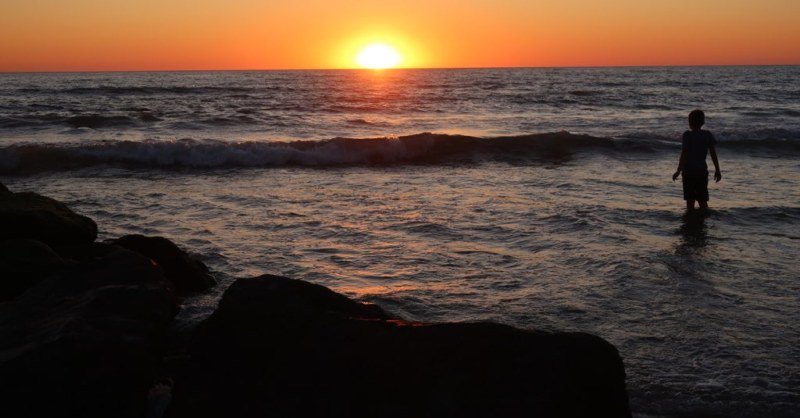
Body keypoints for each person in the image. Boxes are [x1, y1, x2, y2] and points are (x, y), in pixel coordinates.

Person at [672, 109, 721, 211]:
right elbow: (713, 154)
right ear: (702, 122)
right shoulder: (707, 135)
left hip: (688, 172)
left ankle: (690, 222)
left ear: (690, 122)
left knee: (690, 201)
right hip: (702, 172)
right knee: (702, 200)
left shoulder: (687, 135)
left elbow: (684, 153)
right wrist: (717, 170)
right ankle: (702, 221)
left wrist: (678, 170)